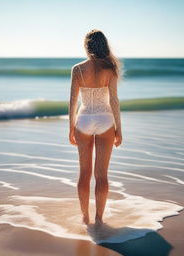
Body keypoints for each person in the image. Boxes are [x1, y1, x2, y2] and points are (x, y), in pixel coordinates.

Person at [68, 29, 122, 226]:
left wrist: (70, 127)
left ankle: (85, 217)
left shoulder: (77, 69)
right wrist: (119, 129)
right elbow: (114, 100)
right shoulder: (111, 68)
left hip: (83, 120)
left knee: (84, 173)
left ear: (87, 46)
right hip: (106, 120)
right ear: (104, 45)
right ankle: (99, 218)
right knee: (102, 175)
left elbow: (73, 101)